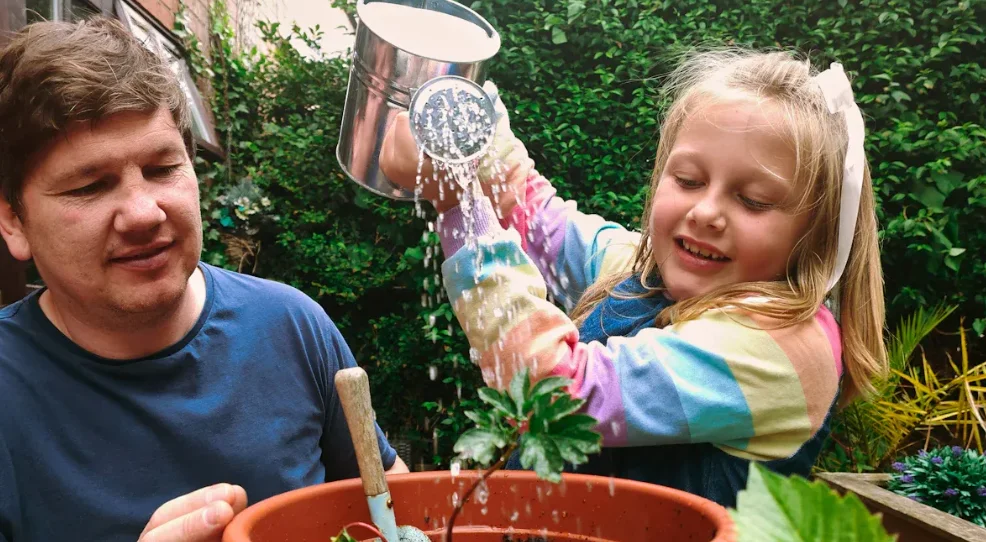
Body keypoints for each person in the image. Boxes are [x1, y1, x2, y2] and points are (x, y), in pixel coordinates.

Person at [379, 49, 887, 507]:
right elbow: (542, 223)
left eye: (753, 201)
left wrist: (459, 206)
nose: (707, 211)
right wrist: (475, 139)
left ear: (814, 234)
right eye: (688, 180)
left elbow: (556, 397)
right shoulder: (645, 270)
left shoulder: (783, 345)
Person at [0, 17, 407, 542]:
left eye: (161, 168)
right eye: (90, 186)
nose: (144, 213)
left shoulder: (292, 327)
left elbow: (396, 513)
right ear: (13, 219)